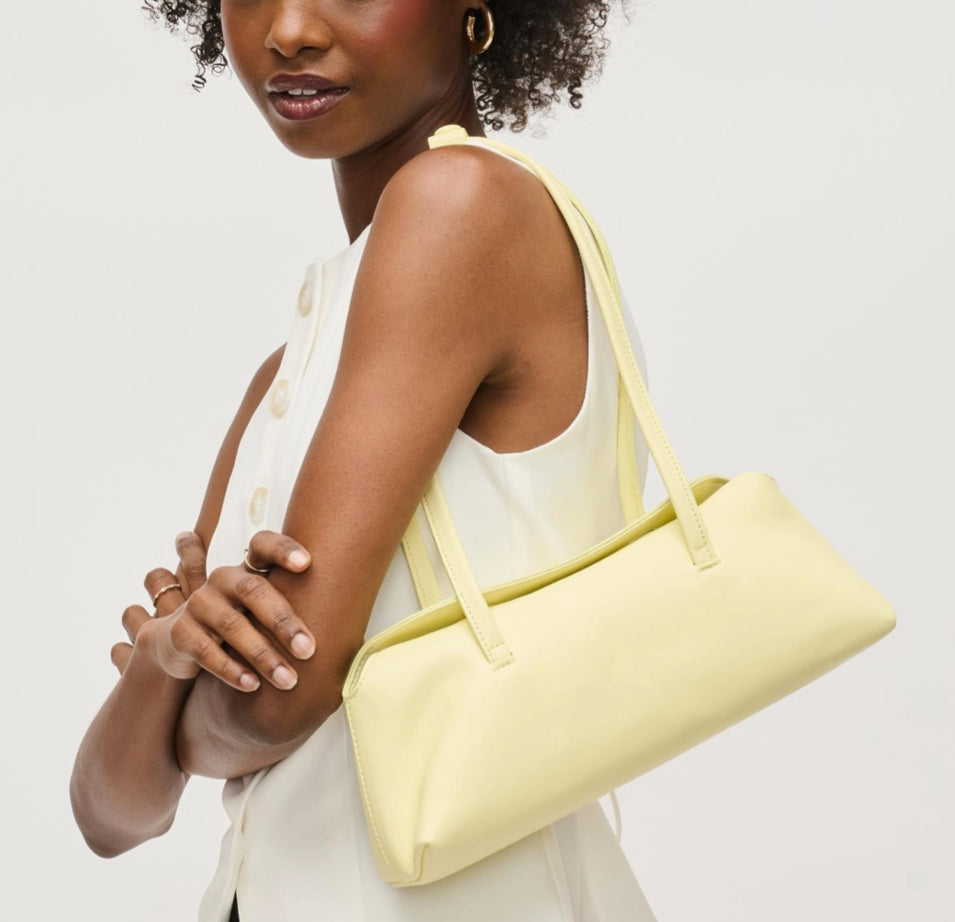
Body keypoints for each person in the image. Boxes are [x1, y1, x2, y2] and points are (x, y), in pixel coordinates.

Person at [69, 0, 658, 919]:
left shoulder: (464, 200)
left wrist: (175, 698)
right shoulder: (291, 365)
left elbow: (278, 701)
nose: (290, 30)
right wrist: (163, 658)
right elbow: (112, 818)